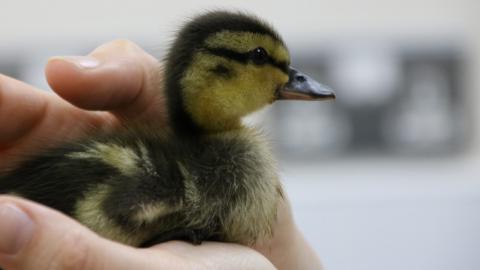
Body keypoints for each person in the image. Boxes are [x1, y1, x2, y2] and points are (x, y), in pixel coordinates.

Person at [0, 40, 323, 270]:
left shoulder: (185, 169)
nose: (295, 78)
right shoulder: (172, 179)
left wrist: (286, 259)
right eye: (259, 56)